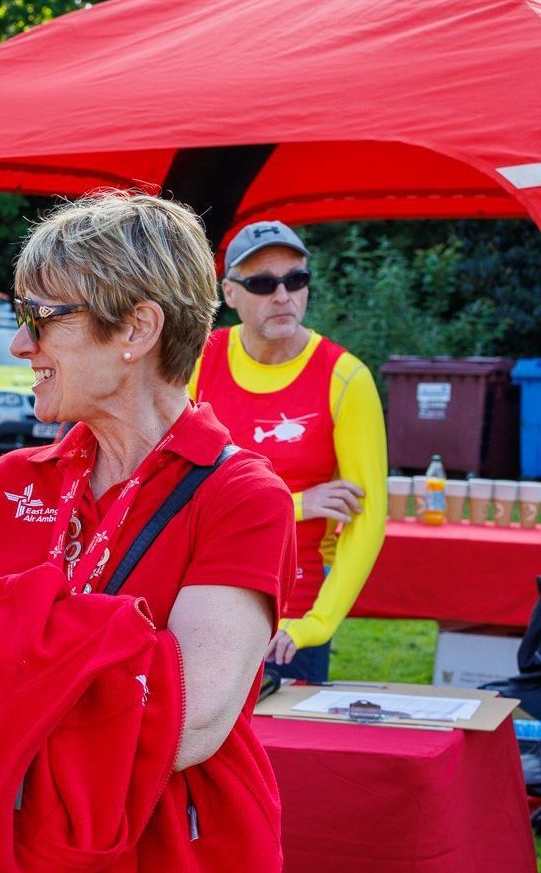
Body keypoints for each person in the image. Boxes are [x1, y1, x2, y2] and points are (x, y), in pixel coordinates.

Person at [0, 192, 288, 868]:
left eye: (41, 317)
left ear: (137, 330)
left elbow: (185, 727)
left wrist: (1, 670)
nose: (20, 343)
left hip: (174, 845)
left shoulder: (243, 495)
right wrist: (110, 667)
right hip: (17, 840)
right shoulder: (13, 480)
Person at [191, 221, 387, 684]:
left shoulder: (346, 378)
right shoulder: (199, 361)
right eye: (262, 283)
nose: (282, 295)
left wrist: (317, 625)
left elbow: (369, 517)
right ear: (230, 294)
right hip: (202, 597)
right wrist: (298, 504)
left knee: (288, 754)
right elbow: (177, 488)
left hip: (293, 616)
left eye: (295, 279)